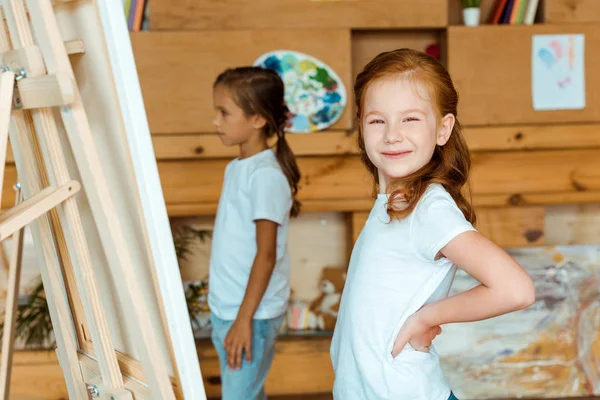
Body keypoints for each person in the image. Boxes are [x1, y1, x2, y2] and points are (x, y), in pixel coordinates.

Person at [330, 49, 536, 400]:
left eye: (410, 119)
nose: (392, 135)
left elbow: (515, 289)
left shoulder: (428, 209)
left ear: (443, 129)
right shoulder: (393, 203)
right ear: (361, 127)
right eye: (377, 121)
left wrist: (426, 318)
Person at [208, 66, 301, 400]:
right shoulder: (237, 168)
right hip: (229, 309)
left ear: (258, 119)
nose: (215, 122)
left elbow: (266, 254)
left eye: (224, 113)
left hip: (251, 316)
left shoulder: (265, 177)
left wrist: (244, 320)